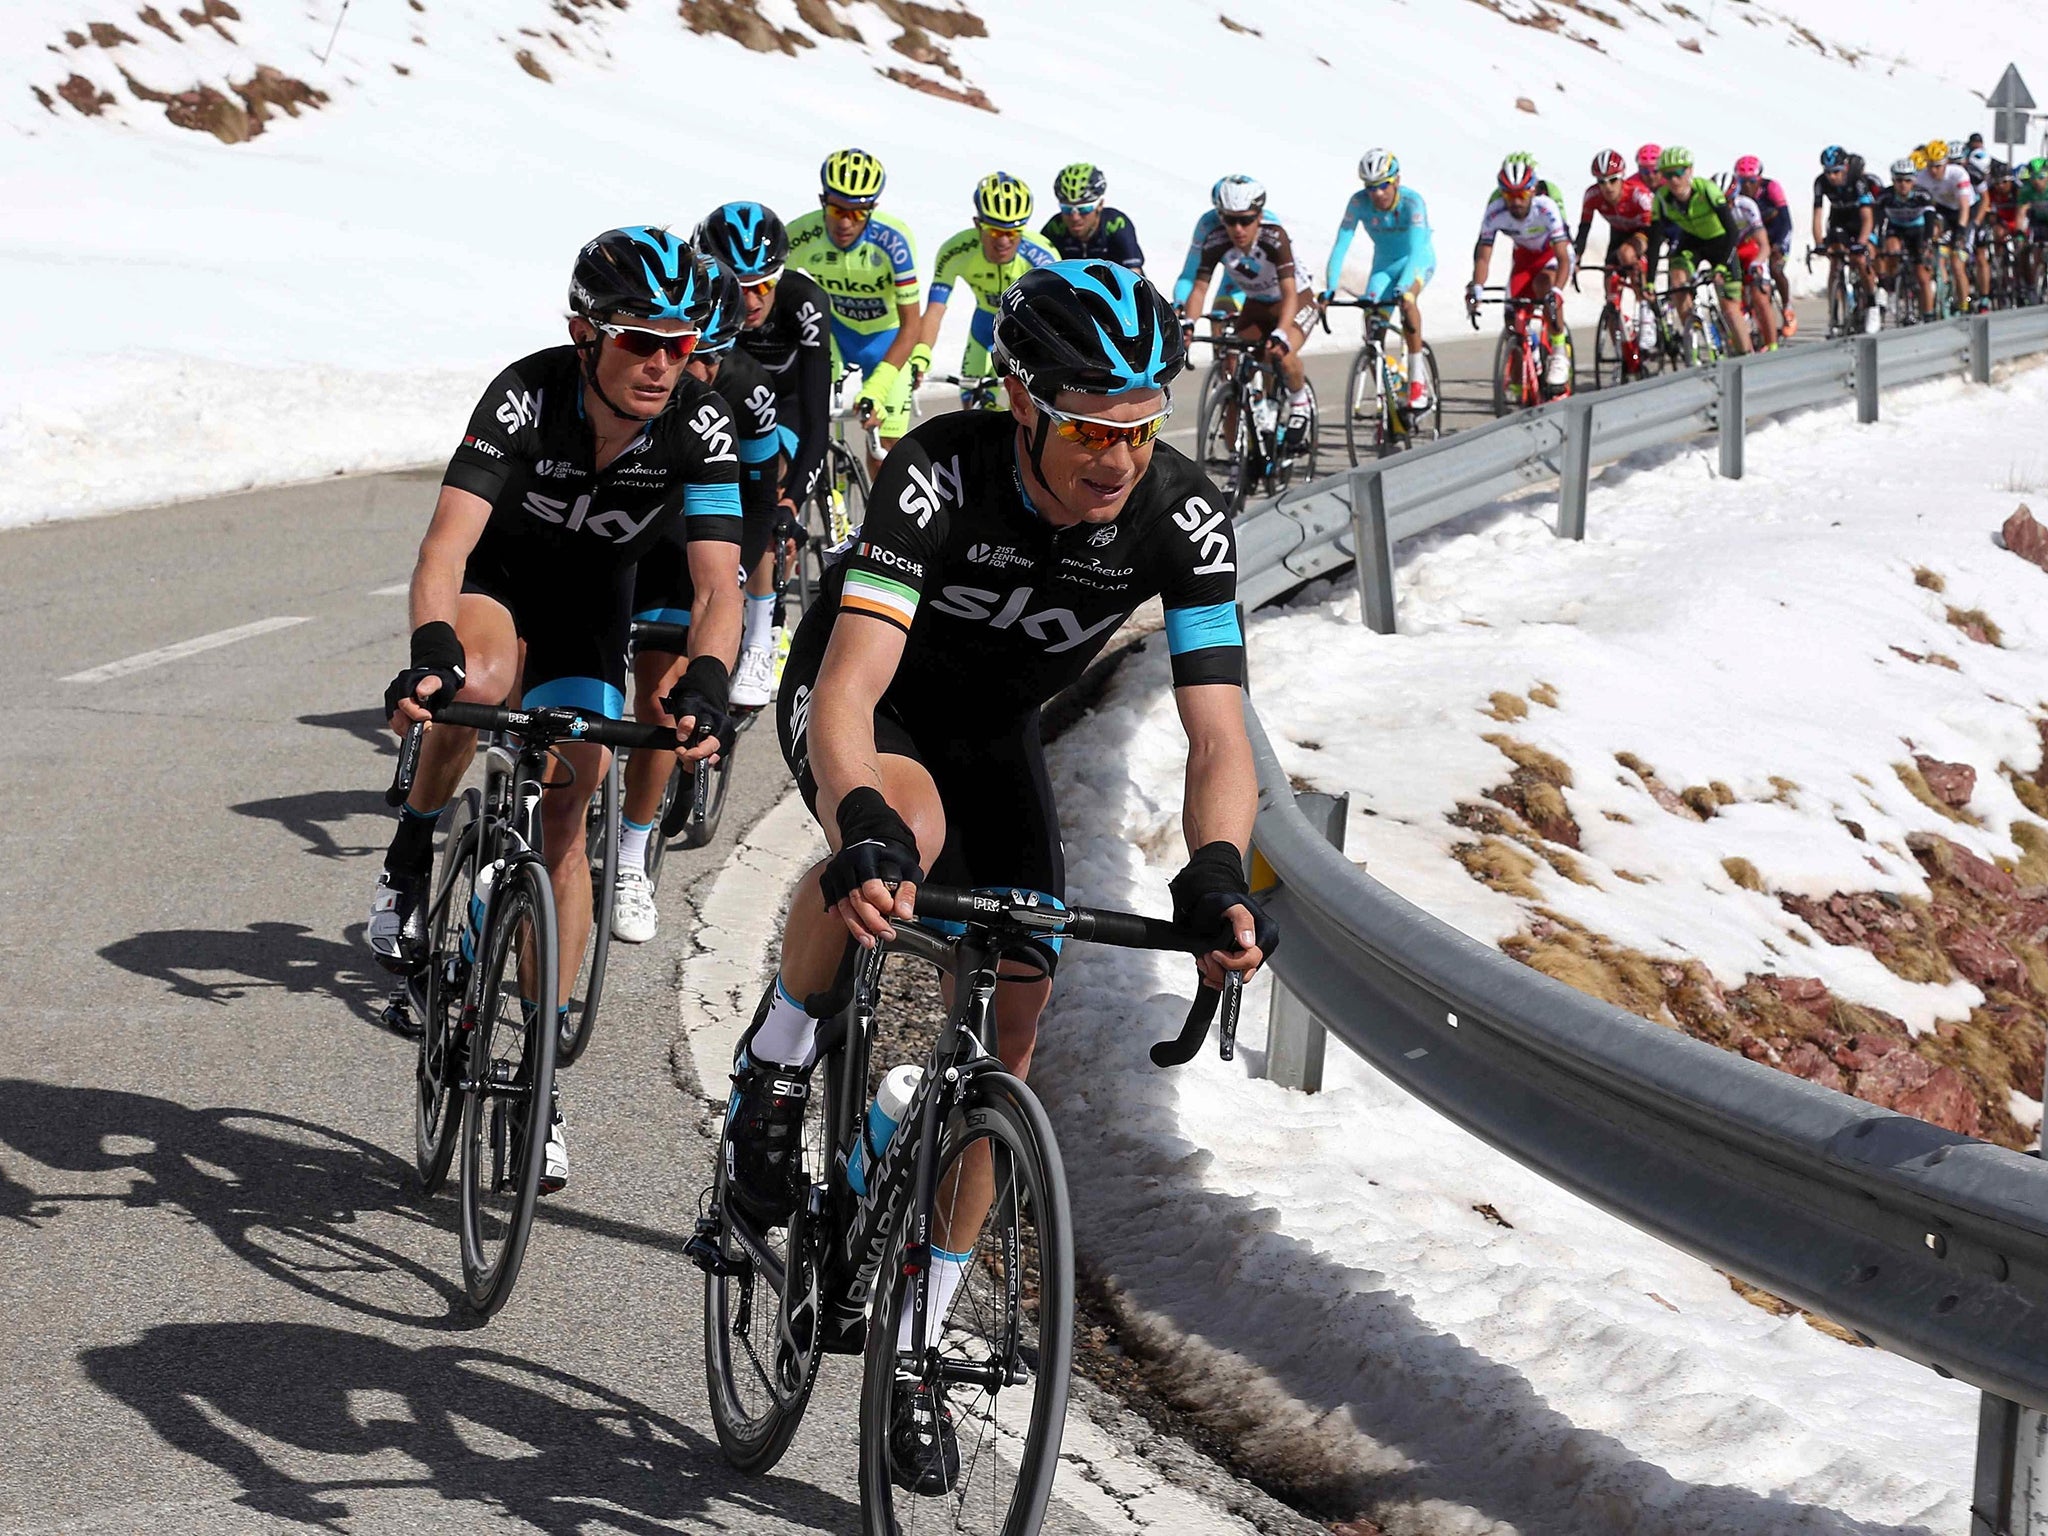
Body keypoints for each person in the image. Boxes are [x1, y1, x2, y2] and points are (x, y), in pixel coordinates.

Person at [730, 258, 1271, 1494]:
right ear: (1023, 402)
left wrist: (1216, 873)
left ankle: (916, 1342)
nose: (1117, 459)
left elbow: (1219, 730)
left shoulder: (1178, 516)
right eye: (1089, 427)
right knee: (898, 845)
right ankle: (774, 1062)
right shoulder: (938, 472)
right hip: (874, 714)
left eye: (1140, 427)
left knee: (1016, 1012)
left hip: (997, 739)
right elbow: (857, 684)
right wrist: (855, 812)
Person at [369, 227, 743, 1190]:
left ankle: (537, 1076)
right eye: (638, 341)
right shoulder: (527, 392)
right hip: (500, 583)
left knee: (579, 796)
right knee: (479, 687)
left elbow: (716, 586)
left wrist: (706, 678)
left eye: (682, 342)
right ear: (586, 333)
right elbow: (446, 547)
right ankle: (413, 853)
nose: (664, 363)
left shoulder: (699, 423)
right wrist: (428, 651)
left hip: (590, 608)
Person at [612, 256, 780, 944]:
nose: (691, 372)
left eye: (703, 355)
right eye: (682, 351)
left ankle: (629, 852)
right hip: (616, 539)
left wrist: (743, 601)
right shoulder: (630, 383)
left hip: (694, 543)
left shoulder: (744, 394)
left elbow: (760, 508)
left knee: (659, 695)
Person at [699, 202, 833, 705]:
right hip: (724, 403)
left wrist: (791, 503)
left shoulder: (804, 302)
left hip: (789, 412)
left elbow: (818, 424)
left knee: (766, 491)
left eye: (764, 284)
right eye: (741, 284)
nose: (753, 300)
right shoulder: (700, 302)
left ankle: (760, 635)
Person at [786, 148, 922, 474]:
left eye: (859, 213)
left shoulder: (895, 241)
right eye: (837, 209)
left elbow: (911, 325)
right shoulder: (801, 234)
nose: (846, 222)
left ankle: (881, 522)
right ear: (823, 200)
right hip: (834, 335)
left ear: (873, 208)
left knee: (885, 451)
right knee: (800, 419)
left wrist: (877, 388)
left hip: (887, 340)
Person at [1177, 175, 1314, 443]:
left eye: (1246, 220)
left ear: (1259, 217)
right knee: (1236, 362)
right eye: (1229, 220)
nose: (1238, 228)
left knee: (1282, 354)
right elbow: (1200, 289)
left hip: (1296, 300)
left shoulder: (1275, 238)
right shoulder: (1216, 240)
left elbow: (1288, 293)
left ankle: (1300, 401)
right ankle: (1248, 432)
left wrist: (1282, 333)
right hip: (1257, 304)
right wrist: (1188, 324)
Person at [913, 172, 1058, 407]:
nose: (1003, 241)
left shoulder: (1043, 257)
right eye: (994, 231)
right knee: (971, 403)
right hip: (983, 328)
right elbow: (935, 310)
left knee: (1027, 407)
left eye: (1012, 232)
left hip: (1026, 333)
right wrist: (921, 354)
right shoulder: (955, 252)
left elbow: (1056, 320)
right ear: (977, 224)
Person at [1321, 147, 1438, 411]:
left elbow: (1418, 247)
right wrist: (1329, 289)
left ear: (1396, 180)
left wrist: (1402, 287)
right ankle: (1389, 394)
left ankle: (1417, 381)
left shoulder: (1412, 202)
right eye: (1370, 187)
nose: (1377, 193)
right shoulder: (1358, 202)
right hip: (1384, 267)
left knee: (1407, 301)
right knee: (1372, 323)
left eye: (1383, 185)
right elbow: (1341, 245)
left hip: (1416, 261)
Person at [1465, 151, 1576, 391]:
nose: (1516, 202)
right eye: (1509, 195)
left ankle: (1558, 352)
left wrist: (1558, 290)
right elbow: (1483, 255)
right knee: (1513, 315)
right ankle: (1526, 354)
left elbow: (1563, 256)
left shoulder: (1546, 207)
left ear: (1533, 189)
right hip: (1524, 257)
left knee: (1545, 289)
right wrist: (1476, 287)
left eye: (1522, 194)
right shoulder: (1495, 209)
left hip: (1551, 255)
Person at [1648, 147, 1757, 356]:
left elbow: (1732, 231)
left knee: (1730, 307)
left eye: (1678, 173)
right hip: (1692, 243)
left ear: (1689, 171)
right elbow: (1654, 241)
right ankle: (1693, 337)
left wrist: (1720, 266)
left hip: (1721, 243)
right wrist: (1650, 281)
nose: (1673, 180)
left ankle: (1747, 355)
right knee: (1678, 282)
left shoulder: (1707, 190)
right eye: (1666, 175)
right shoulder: (1661, 199)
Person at [1573, 147, 1659, 350]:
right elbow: (1584, 229)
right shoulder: (1592, 196)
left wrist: (1650, 274)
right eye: (1601, 181)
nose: (1607, 187)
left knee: (1627, 254)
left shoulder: (1639, 195)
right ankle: (1622, 356)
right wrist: (1577, 259)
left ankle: (1646, 311)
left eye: (1613, 180)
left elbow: (1655, 233)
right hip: (1618, 233)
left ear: (1622, 177)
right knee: (1610, 289)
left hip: (1644, 232)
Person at [1812, 145, 1878, 334]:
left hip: (1859, 220)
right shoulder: (1820, 182)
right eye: (1828, 172)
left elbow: (1867, 217)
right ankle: (1833, 314)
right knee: (1835, 261)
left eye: (1836, 172)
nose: (1831, 177)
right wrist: (1819, 243)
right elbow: (1817, 214)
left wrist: (1861, 242)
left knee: (1859, 259)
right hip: (1838, 219)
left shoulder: (1857, 180)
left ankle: (1872, 305)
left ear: (1845, 168)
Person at [1713, 172, 1780, 351]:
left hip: (1751, 250)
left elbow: (1763, 243)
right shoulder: (1710, 211)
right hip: (1729, 253)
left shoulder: (1746, 206)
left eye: (1728, 202)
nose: (1725, 207)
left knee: (1760, 295)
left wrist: (1757, 263)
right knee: (1730, 300)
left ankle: (1772, 345)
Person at [1732, 155, 1796, 332]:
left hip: (1776, 232)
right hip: (1755, 235)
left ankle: (1787, 308)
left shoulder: (1771, 188)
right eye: (1742, 181)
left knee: (1776, 268)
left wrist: (1779, 245)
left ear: (1759, 179)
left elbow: (1785, 220)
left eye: (1751, 181)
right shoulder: (1735, 194)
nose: (1746, 186)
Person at [1038, 162, 1145, 268]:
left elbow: (1134, 273)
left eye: (1084, 209)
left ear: (1100, 205)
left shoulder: (1116, 224)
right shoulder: (1055, 228)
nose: (1075, 217)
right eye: (1067, 209)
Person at [1913, 138, 1975, 313]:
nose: (1933, 171)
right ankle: (1942, 288)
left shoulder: (1958, 174)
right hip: (1944, 211)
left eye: (1938, 166)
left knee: (1957, 262)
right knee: (1937, 245)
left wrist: (1961, 232)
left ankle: (1964, 305)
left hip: (1964, 212)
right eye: (1930, 165)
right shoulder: (1922, 177)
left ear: (1946, 163)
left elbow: (1964, 206)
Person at [1872, 157, 1939, 320]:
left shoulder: (1922, 195)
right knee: (1892, 250)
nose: (1903, 184)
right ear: (1893, 180)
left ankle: (1929, 315)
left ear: (1914, 181)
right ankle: (1892, 287)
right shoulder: (1885, 196)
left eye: (1908, 180)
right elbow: (1878, 221)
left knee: (1922, 275)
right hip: (1897, 228)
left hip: (1918, 230)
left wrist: (1927, 242)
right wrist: (1880, 245)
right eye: (1899, 180)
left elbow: (1931, 220)